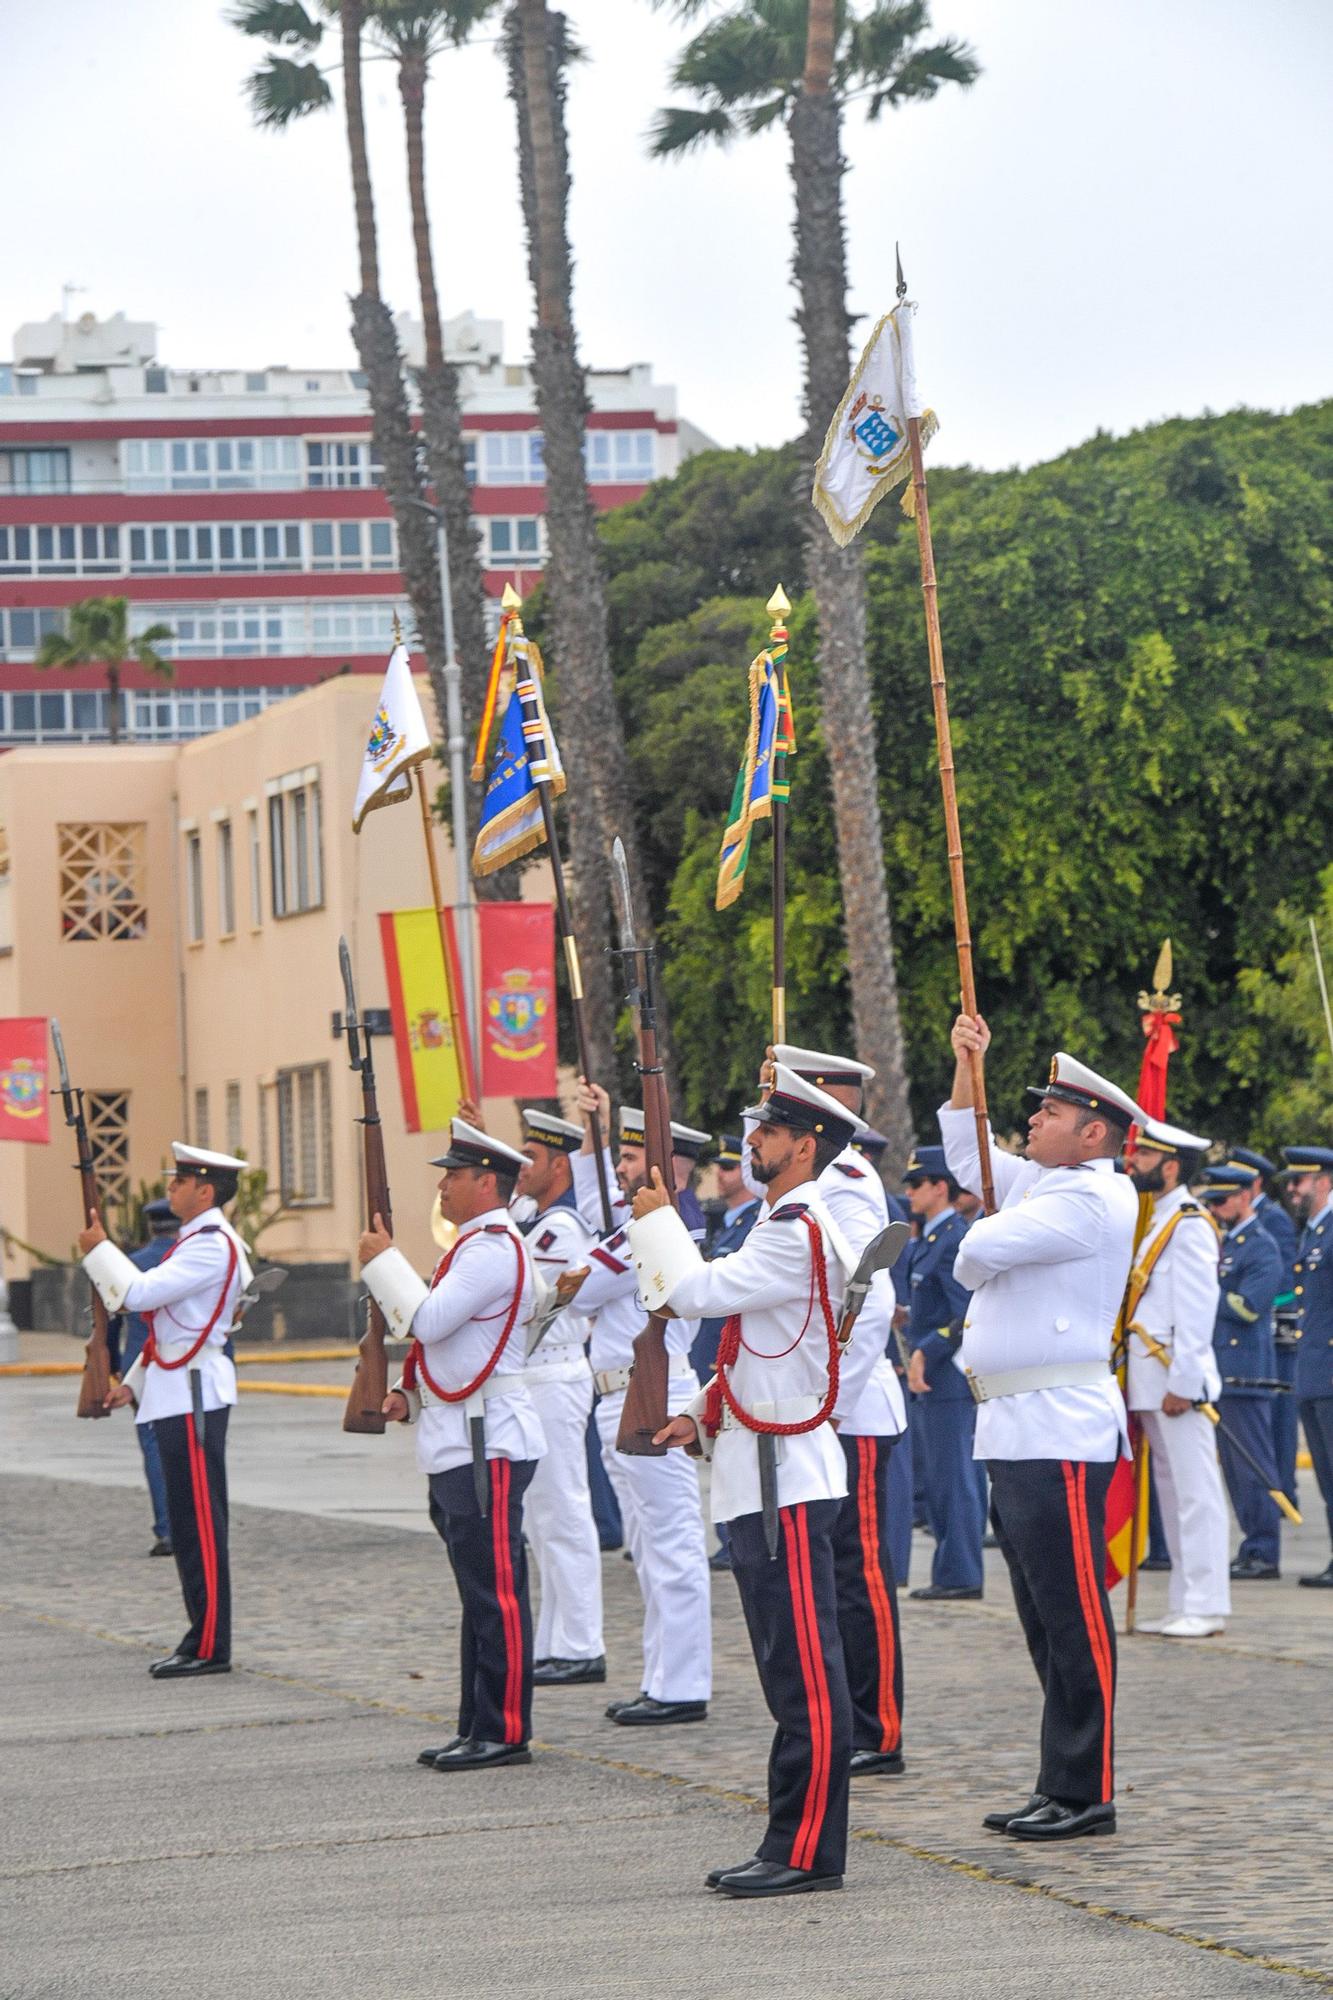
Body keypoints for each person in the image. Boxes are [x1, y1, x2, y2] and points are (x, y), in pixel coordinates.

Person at [632, 1065, 860, 1898]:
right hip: (761, 1469)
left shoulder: (793, 1232)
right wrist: (699, 1409)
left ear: (804, 1146)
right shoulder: (779, 1225)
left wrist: (659, 1224)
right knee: (786, 1669)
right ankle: (793, 1843)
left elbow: (691, 1295)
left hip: (784, 1478)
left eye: (765, 1132)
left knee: (804, 1671)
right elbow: (750, 1350)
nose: (749, 1142)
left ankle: (804, 1850)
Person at [942, 1018, 1140, 1842]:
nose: (1032, 1120)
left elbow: (974, 1247)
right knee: (1040, 1615)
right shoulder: (1044, 1185)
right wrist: (966, 1065)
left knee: (1071, 1614)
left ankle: (1085, 1789)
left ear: (1091, 1131)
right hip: (1015, 1425)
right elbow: (965, 1158)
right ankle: (1058, 1781)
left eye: (1050, 1114)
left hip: (1059, 1425)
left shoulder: (1093, 1196)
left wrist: (984, 1229)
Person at [360, 1117, 545, 1772]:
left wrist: (383, 1263)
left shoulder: (493, 1250)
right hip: (462, 1435)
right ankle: (477, 1723)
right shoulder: (474, 1247)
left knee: (495, 1591)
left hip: (485, 1440)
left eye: (454, 1175)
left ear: (486, 1184)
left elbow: (428, 1319)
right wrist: (409, 1396)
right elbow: (445, 1345)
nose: (442, 1185)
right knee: (478, 1594)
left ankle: (505, 1729)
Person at [770, 1044, 908, 1778]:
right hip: (827, 1405)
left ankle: (876, 1727)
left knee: (857, 1575)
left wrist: (829, 1405)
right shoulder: (811, 1183)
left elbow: (870, 1297)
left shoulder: (845, 1181)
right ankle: (853, 1720)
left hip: (848, 1410)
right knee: (835, 1571)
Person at [563, 1089, 712, 1727]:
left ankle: (681, 1685)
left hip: (652, 1389)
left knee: (672, 1542)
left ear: (665, 1166)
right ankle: (661, 1677)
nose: (620, 1169)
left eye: (629, 1157)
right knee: (646, 1546)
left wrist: (583, 1279)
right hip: (620, 1392)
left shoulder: (663, 1228)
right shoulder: (637, 1228)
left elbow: (577, 1287)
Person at [79, 1144, 250, 1679]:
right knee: (186, 1520)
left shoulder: (211, 1246)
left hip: (195, 1395)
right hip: (177, 1388)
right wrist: (133, 1383)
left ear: (205, 1191)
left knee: (201, 1523)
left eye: (179, 1181)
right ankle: (200, 1635)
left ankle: (210, 1644)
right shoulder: (193, 1241)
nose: (171, 1188)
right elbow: (169, 1331)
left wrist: (98, 1249)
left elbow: (135, 1294)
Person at [1123, 1117, 1229, 1637]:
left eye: (1143, 1157)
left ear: (1169, 1166)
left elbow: (1195, 1313)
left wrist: (1182, 1386)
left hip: (1174, 1384)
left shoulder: (1187, 1224)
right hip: (1152, 1383)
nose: (1133, 1162)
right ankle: (1187, 1601)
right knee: (1172, 1495)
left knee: (1195, 1496)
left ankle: (1207, 1605)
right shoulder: (1159, 1218)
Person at [513, 1108, 605, 1688]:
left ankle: (580, 1644)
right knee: (541, 1518)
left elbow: (529, 1304)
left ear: (559, 1164)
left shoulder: (559, 1231)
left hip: (553, 1374)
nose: (522, 1165)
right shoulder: (535, 1219)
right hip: (538, 1376)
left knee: (563, 1511)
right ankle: (555, 1640)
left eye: (531, 1156)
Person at [902, 1148, 985, 1602]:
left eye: (917, 1184)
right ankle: (955, 1569)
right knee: (943, 1477)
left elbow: (966, 1312)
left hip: (946, 1376)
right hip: (933, 1373)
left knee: (953, 1480)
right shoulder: (931, 1238)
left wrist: (926, 1350)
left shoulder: (954, 1238)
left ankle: (960, 1574)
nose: (909, 1193)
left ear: (940, 1187)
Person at [1198, 1166, 1284, 1580]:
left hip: (1245, 1372)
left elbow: (1248, 1307)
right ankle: (1252, 1545)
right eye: (1210, 1202)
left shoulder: (1261, 1247)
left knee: (1253, 1466)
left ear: (1244, 1198)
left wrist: (1201, 1289)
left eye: (1220, 1201)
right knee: (1233, 1470)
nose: (1214, 1209)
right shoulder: (1226, 1243)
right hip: (1221, 1369)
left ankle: (1265, 1550)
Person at [694, 1134, 762, 1572]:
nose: (722, 1173)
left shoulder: (755, 1222)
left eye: (731, 1166)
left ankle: (735, 1536)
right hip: (715, 1350)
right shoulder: (726, 1223)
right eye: (719, 1166)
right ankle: (728, 1536)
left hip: (737, 1352)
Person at [1222, 1147, 1301, 1507]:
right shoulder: (1238, 1226)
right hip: (1256, 1334)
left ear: (1253, 1185)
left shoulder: (1274, 1221)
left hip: (1276, 1336)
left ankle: (1283, 1493)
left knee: (1277, 1425)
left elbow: (1284, 1286)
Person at [106, 1196, 180, 1557]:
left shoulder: (130, 1266)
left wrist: (111, 1364)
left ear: (150, 1227)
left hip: (139, 1364)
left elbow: (109, 1317)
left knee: (152, 1444)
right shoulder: (189, 1260)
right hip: (183, 1363)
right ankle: (193, 1526)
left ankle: (166, 1529)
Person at [1281, 1146, 1333, 1587]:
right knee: (1328, 1477)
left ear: (1324, 1181)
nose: (1292, 1190)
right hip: (1315, 1373)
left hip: (1330, 1374)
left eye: (1299, 1181)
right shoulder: (1314, 1233)